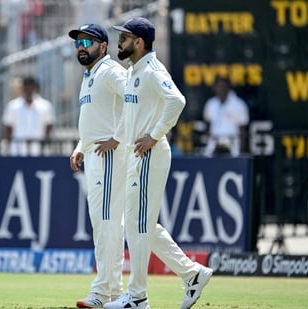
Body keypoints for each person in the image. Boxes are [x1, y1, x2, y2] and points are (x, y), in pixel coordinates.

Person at [98, 17, 212, 309]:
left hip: (150, 153)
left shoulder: (151, 69)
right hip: (139, 154)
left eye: (124, 38)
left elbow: (177, 100)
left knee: (138, 224)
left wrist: (154, 135)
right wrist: (117, 138)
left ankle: (137, 297)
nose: (119, 43)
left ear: (139, 42)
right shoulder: (135, 70)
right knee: (142, 224)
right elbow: (133, 115)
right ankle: (192, 273)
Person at [67, 24, 128, 308]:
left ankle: (102, 292)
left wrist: (119, 137)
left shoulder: (111, 71)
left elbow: (136, 100)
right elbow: (94, 119)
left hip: (110, 156)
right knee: (104, 225)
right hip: (94, 155)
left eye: (87, 41)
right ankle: (114, 293)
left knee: (107, 224)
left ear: (103, 46)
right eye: (78, 41)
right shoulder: (90, 75)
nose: (81, 46)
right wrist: (81, 146)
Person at [2, 75, 55, 156]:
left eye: (31, 86)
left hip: (38, 151)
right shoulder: (13, 106)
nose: (29, 89)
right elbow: (8, 127)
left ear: (35, 87)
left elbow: (49, 126)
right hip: (17, 151)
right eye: (26, 86)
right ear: (23, 88)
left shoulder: (45, 106)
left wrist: (44, 144)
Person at [202, 76, 249, 156]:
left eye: (223, 86)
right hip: (213, 146)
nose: (221, 89)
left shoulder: (239, 105)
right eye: (218, 86)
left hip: (233, 146)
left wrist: (241, 153)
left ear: (228, 88)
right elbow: (207, 125)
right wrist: (208, 141)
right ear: (214, 88)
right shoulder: (210, 104)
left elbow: (243, 131)